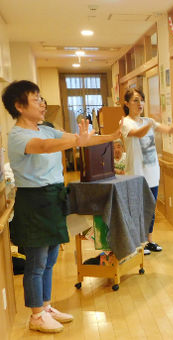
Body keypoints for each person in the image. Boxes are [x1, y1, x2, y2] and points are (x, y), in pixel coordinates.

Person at [2, 80, 122, 333]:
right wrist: (77, 139)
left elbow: (80, 140)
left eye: (41, 98)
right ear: (19, 106)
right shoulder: (17, 136)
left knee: (51, 258)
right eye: (36, 100)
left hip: (55, 196)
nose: (42, 104)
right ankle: (35, 315)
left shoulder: (46, 128)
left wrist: (112, 136)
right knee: (36, 261)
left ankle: (45, 307)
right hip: (34, 200)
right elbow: (45, 148)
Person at [121, 88, 173, 255]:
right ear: (126, 103)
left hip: (152, 173)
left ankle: (149, 240)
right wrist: (150, 123)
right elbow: (138, 134)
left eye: (141, 99)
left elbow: (168, 130)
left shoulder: (148, 120)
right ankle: (136, 243)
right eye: (135, 100)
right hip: (136, 173)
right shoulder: (125, 122)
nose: (139, 103)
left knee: (150, 209)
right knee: (137, 210)